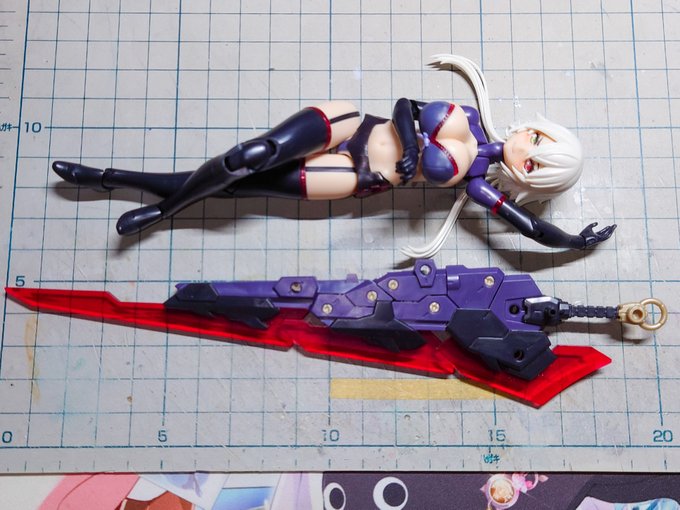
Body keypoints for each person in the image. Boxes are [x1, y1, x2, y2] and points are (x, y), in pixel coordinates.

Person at [52, 54, 615, 256]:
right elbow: (404, 105)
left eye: (535, 166)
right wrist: (412, 145)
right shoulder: (467, 114)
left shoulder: (479, 186)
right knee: (249, 155)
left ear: (529, 179)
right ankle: (157, 208)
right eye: (538, 142)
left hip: (354, 175)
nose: (526, 152)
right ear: (535, 129)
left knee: (242, 185)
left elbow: (528, 229)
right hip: (351, 123)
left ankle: (119, 182)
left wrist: (573, 241)